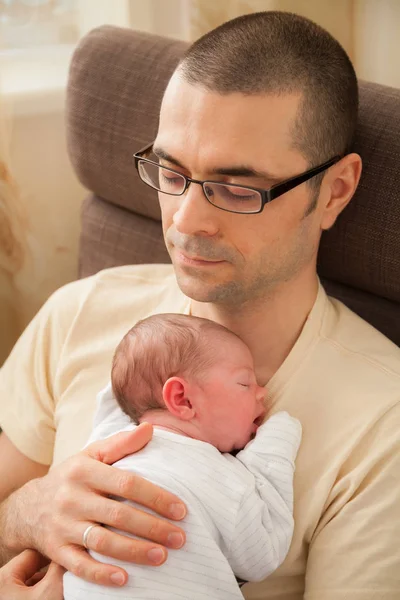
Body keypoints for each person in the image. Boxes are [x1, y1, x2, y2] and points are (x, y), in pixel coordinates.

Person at [0, 9, 399, 600]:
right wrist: (27, 513)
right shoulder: (80, 311)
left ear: (334, 191)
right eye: (170, 170)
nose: (186, 219)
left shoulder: (382, 428)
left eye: (237, 188)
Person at [63, 313, 302, 599]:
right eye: (244, 384)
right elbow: (262, 555)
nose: (262, 393)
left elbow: (111, 402)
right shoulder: (219, 478)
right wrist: (274, 446)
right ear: (182, 399)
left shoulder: (106, 447)